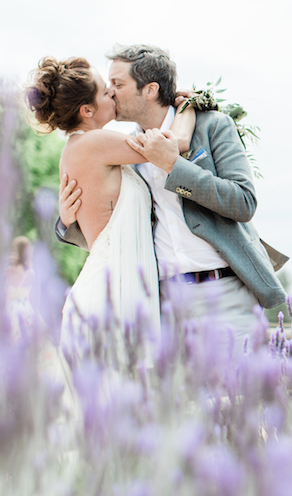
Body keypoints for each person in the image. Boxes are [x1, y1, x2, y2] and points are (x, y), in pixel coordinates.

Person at [57, 44, 288, 361]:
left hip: (223, 294)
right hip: (161, 307)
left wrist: (174, 167)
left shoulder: (213, 126)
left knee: (241, 404)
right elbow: (117, 230)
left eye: (118, 84)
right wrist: (68, 221)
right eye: (108, 85)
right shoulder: (121, 151)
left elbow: (243, 202)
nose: (109, 92)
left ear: (150, 89)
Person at [27, 55, 196, 366]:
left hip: (118, 288)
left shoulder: (86, 146)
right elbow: (176, 142)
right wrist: (188, 107)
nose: (113, 95)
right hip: (111, 294)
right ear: (87, 110)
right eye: (106, 90)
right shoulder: (94, 143)